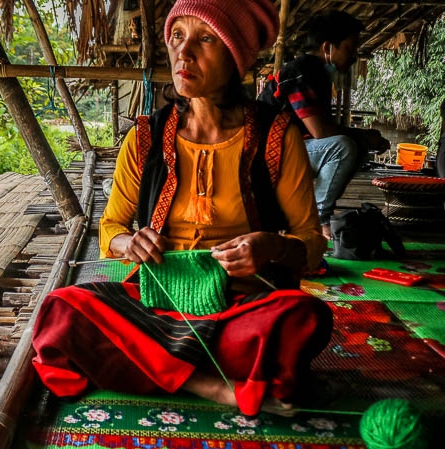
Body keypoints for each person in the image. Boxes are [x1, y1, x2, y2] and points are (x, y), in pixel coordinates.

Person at [31, 0, 332, 418]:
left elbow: (312, 243)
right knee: (60, 311)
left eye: (205, 39)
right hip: (153, 305)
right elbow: (111, 227)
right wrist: (129, 243)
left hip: (239, 307)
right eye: (177, 36)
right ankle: (212, 385)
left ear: (236, 56)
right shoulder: (145, 138)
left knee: (305, 317)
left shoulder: (276, 136)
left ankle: (145, 363)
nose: (183, 52)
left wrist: (273, 247)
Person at [257, 11, 390, 239]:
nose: (354, 55)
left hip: (288, 150)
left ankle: (310, 213)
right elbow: (319, 131)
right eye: (350, 48)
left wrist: (363, 138)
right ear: (328, 47)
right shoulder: (301, 72)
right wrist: (364, 135)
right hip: (267, 155)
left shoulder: (316, 74)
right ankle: (318, 219)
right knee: (343, 147)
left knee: (354, 145)